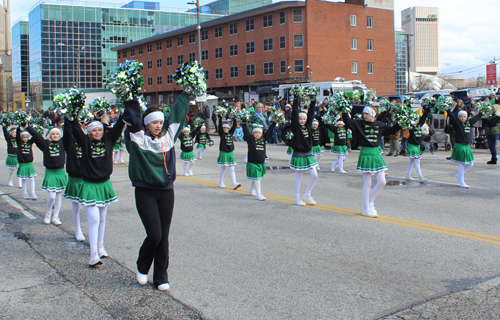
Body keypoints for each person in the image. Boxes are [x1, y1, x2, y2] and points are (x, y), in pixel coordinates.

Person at [122, 90, 189, 291]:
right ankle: (142, 265)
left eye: (160, 122)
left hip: (166, 191)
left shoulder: (168, 135)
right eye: (154, 122)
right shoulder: (137, 137)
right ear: (146, 123)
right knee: (154, 235)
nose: (158, 125)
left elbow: (177, 114)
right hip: (145, 192)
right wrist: (129, 92)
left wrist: (186, 92)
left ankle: (161, 277)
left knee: (164, 236)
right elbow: (133, 118)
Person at [67, 115, 126, 266]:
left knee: (102, 218)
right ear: (89, 132)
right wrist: (72, 115)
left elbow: (119, 126)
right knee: (93, 219)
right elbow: (76, 130)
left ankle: (100, 246)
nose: (97, 133)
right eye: (94, 131)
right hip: (89, 185)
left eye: (100, 130)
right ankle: (93, 254)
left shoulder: (108, 139)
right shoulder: (85, 142)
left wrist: (127, 107)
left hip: (104, 184)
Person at [342, 106, 400, 218]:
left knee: (382, 181)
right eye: (363, 114)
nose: (364, 116)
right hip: (366, 152)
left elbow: (391, 130)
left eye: (366, 114)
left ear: (372, 115)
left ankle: (370, 202)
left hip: (376, 154)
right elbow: (348, 122)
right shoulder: (359, 124)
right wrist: (344, 110)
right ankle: (365, 208)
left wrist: (400, 123)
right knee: (367, 182)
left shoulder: (379, 125)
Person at [26, 126, 67, 225]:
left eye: (57, 134)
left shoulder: (63, 143)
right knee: (52, 196)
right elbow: (36, 136)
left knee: (58, 196)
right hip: (50, 172)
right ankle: (48, 213)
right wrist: (27, 127)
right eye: (53, 134)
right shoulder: (45, 144)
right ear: (49, 135)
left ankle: (56, 216)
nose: (55, 136)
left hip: (60, 172)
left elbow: (69, 133)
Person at [290, 97, 318, 206]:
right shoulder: (295, 127)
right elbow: (294, 114)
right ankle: (297, 198)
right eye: (300, 118)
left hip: (308, 154)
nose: (302, 120)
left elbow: (311, 113)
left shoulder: (308, 126)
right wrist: (296, 100)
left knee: (314, 175)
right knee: (299, 177)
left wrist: (313, 100)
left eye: (304, 119)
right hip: (298, 154)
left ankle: (307, 194)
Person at [62, 118, 86, 241]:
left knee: (90, 208)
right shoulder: (69, 144)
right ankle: (78, 230)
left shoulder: (86, 142)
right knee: (76, 207)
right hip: (74, 179)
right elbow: (67, 133)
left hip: (87, 179)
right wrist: (68, 119)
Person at [447, 109, 482, 188]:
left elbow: (475, 118)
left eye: (464, 116)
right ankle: (461, 181)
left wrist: (482, 113)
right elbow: (452, 117)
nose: (462, 118)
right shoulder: (457, 124)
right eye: (461, 116)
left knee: (471, 163)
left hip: (466, 146)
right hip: (460, 145)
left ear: (467, 117)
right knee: (462, 164)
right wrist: (448, 110)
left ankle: (459, 175)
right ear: (458, 117)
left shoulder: (469, 123)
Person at [242, 121, 277, 200]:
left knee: (256, 177)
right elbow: (246, 131)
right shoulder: (250, 140)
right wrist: (243, 122)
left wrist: (274, 123)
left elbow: (270, 131)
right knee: (257, 178)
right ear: (253, 133)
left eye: (259, 133)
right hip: (253, 163)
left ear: (261, 134)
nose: (257, 134)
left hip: (261, 162)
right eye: (255, 132)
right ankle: (259, 194)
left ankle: (252, 188)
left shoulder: (263, 139)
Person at [405, 106, 431, 182]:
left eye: (417, 118)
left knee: (412, 161)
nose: (416, 120)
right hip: (412, 145)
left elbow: (424, 117)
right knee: (417, 160)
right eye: (414, 119)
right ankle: (421, 177)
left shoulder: (419, 125)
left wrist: (427, 109)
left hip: (417, 145)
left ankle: (408, 175)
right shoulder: (411, 126)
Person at [217, 116, 241, 189]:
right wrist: (220, 118)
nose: (225, 129)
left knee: (232, 169)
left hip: (230, 152)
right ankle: (221, 181)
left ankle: (234, 183)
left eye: (227, 128)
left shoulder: (230, 133)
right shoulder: (222, 134)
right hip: (224, 152)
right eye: (224, 128)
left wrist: (235, 119)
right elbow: (220, 128)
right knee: (223, 168)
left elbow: (234, 127)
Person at [16, 128, 37, 200]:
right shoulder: (19, 143)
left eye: (26, 137)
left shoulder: (30, 142)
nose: (25, 139)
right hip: (23, 163)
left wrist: (35, 129)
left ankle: (33, 193)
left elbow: (35, 136)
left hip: (29, 163)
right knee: (24, 179)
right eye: (23, 137)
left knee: (32, 178)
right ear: (21, 138)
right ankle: (25, 193)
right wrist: (19, 128)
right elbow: (17, 136)